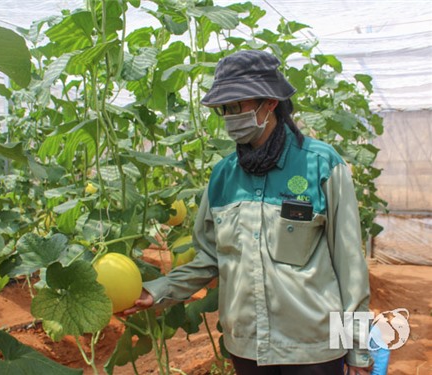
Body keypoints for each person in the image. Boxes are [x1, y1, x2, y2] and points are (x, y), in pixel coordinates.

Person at [122, 50, 373, 375]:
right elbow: (209, 258)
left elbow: (350, 267)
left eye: (236, 106)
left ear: (269, 102)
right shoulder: (223, 176)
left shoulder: (321, 165)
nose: (228, 117)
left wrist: (358, 353)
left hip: (314, 349)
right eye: (223, 109)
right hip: (247, 347)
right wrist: (157, 291)